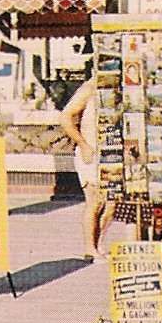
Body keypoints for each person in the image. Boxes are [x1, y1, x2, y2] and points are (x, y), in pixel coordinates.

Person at [61, 67, 112, 262]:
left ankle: (98, 243)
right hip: (90, 151)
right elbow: (65, 117)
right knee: (95, 201)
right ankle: (90, 248)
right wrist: (82, 143)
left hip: (110, 154)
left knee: (112, 204)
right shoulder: (88, 89)